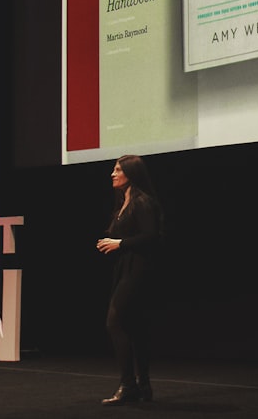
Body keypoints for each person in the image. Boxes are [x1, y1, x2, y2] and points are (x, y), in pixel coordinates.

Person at [95, 154, 164, 405]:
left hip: (140, 270)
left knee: (114, 322)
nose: (112, 174)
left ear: (131, 173)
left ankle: (128, 385)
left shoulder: (143, 202)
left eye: (117, 170)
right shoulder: (123, 201)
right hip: (125, 268)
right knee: (134, 327)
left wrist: (120, 243)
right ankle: (142, 386)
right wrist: (110, 241)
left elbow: (152, 236)